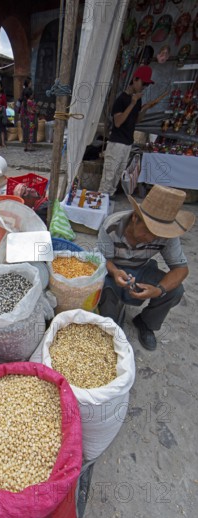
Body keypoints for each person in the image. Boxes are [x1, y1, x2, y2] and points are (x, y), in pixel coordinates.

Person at [97, 185, 195, 351]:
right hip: (113, 269)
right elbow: (100, 259)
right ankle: (111, 318)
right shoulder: (111, 226)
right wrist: (114, 272)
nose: (151, 239)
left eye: (157, 235)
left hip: (141, 269)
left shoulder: (166, 235)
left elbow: (181, 269)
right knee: (107, 315)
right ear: (135, 217)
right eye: (148, 231)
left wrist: (158, 290)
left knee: (175, 290)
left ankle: (146, 322)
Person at [98, 66, 162, 198]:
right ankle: (101, 202)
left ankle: (108, 200)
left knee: (117, 176)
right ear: (134, 79)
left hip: (127, 143)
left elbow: (136, 120)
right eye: (143, 83)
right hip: (116, 143)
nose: (144, 87)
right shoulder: (121, 100)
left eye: (146, 84)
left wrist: (144, 108)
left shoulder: (137, 100)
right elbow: (118, 122)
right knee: (108, 177)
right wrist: (132, 104)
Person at [20, 88, 37, 152]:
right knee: (31, 132)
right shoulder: (31, 102)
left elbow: (21, 112)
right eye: (32, 94)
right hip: (31, 120)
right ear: (30, 95)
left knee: (25, 132)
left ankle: (25, 146)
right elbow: (34, 110)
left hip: (25, 119)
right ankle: (30, 146)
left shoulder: (23, 102)